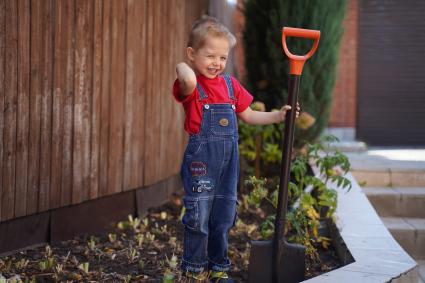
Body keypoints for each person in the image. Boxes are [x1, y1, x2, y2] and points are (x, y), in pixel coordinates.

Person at [172, 16, 299, 282]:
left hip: (228, 168)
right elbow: (185, 80)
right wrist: (182, 66)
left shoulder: (231, 86)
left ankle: (218, 268)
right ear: (192, 54)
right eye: (210, 56)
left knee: (223, 217)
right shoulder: (193, 87)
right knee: (199, 216)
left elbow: (250, 115)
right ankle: (194, 270)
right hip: (202, 166)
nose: (217, 63)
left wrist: (279, 116)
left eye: (222, 57)